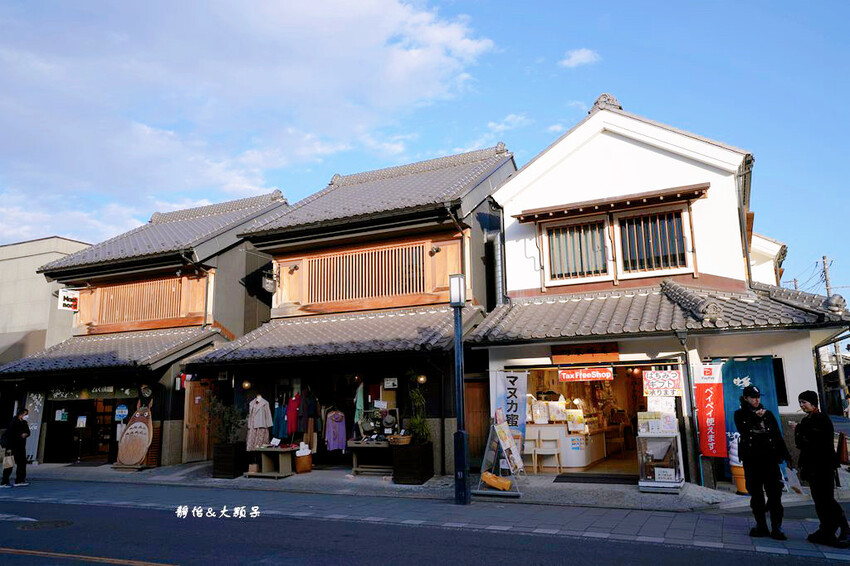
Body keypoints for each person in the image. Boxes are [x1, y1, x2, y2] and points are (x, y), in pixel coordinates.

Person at [734, 385, 791, 540]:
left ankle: (777, 527)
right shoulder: (740, 414)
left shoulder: (768, 414)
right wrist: (756, 417)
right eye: (752, 397)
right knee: (756, 494)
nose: (756, 399)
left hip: (770, 460)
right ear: (745, 398)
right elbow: (743, 430)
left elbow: (777, 436)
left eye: (758, 396)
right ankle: (761, 526)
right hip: (752, 460)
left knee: (775, 494)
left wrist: (786, 456)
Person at [794, 390, 850, 547]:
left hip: (823, 465)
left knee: (827, 499)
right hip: (811, 465)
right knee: (819, 500)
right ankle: (826, 530)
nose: (802, 405)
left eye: (804, 402)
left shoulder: (822, 419)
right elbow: (800, 442)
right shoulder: (807, 420)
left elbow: (815, 439)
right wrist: (799, 430)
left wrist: (800, 430)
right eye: (800, 402)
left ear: (813, 403)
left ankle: (845, 528)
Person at [1, 408, 31, 487]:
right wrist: (9, 447)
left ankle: (20, 480)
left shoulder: (24, 423)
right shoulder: (13, 422)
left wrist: (26, 434)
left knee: (22, 463)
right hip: (11, 446)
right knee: (9, 464)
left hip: (20, 447)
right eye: (25, 414)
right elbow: (10, 435)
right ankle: (4, 481)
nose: (27, 416)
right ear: (21, 414)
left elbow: (28, 432)